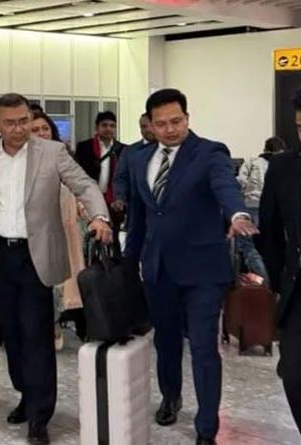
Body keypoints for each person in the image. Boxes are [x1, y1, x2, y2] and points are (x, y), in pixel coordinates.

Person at [0, 93, 112, 445]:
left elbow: (84, 184)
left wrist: (99, 215)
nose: (19, 128)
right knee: (11, 336)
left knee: (36, 335)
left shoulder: (52, 153)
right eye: (10, 122)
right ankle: (26, 394)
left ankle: (40, 415)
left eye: (23, 120)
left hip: (35, 258)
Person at [125, 89, 257, 445]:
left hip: (203, 270)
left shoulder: (210, 153)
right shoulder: (139, 160)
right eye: (162, 123)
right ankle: (171, 397)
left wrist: (237, 213)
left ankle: (207, 425)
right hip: (158, 268)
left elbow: (225, 187)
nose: (170, 129)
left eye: (177, 121)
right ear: (149, 124)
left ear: (187, 118)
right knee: (166, 341)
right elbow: (139, 217)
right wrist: (129, 264)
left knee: (202, 345)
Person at [260, 88, 301, 437]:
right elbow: (269, 231)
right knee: (295, 376)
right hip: (297, 290)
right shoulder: (283, 167)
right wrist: (279, 280)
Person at [31, 111, 86, 348]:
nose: (41, 133)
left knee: (61, 285)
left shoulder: (65, 158)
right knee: (39, 283)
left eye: (45, 128)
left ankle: (55, 323)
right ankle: (45, 325)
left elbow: (80, 189)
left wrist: (92, 214)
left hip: (65, 231)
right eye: (35, 130)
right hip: (36, 233)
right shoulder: (21, 161)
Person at [75, 110, 127, 248]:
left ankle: (114, 258)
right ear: (97, 127)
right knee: (91, 230)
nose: (108, 129)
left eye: (112, 125)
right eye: (104, 125)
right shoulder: (84, 147)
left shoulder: (122, 149)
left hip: (112, 198)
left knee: (113, 232)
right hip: (90, 197)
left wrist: (120, 197)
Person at [112, 112, 156, 212]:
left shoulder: (168, 149)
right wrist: (120, 198)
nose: (148, 129)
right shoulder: (130, 151)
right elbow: (121, 178)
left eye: (151, 125)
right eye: (144, 127)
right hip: (136, 208)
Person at [237, 136, 286, 224]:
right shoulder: (253, 162)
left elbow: (241, 181)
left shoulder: (284, 165)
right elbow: (241, 181)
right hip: (254, 203)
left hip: (267, 204)